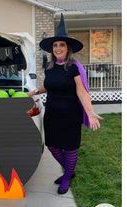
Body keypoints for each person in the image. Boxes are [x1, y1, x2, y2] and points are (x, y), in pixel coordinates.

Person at [27, 14, 103, 194]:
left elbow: (81, 91)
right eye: (55, 45)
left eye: (62, 44)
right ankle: (70, 170)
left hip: (70, 115)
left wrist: (90, 112)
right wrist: (32, 93)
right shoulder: (50, 68)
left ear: (68, 48)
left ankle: (67, 176)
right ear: (52, 49)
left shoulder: (74, 67)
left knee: (69, 147)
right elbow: (47, 86)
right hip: (52, 114)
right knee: (52, 146)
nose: (58, 48)